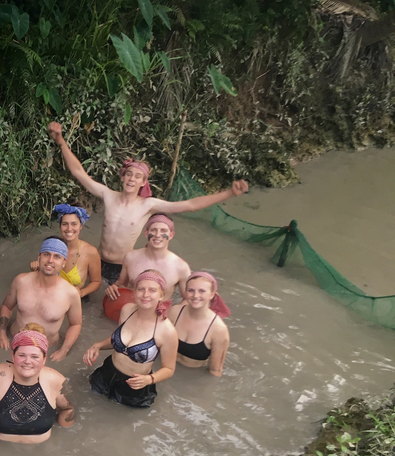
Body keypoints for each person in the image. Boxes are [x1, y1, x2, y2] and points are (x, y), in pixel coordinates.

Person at [47, 121, 249, 282]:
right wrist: (61, 142)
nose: (131, 179)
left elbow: (190, 205)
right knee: (83, 297)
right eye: (129, 174)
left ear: (143, 182)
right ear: (122, 177)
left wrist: (229, 193)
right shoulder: (108, 195)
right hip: (97, 259)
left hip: (122, 265)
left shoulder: (148, 205)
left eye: (137, 176)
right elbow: (79, 173)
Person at [83, 270, 179, 408]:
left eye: (152, 290)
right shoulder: (127, 310)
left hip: (134, 387)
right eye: (141, 289)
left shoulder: (167, 331)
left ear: (161, 295)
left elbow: (169, 369)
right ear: (134, 292)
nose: (145, 294)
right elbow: (117, 339)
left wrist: (150, 379)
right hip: (105, 374)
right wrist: (98, 345)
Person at [0, 325, 75, 444]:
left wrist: (63, 439)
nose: (27, 361)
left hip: (42, 449)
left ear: (44, 359)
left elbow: (69, 409)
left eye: (35, 357)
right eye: (22, 355)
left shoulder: (57, 382)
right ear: (13, 356)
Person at [0, 237, 83, 361]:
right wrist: (2, 333)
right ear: (39, 257)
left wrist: (63, 350)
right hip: (14, 342)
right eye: (46, 254)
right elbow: (7, 307)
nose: (50, 260)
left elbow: (75, 324)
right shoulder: (21, 281)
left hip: (48, 349)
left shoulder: (71, 293)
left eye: (57, 257)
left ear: (64, 262)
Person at [103, 214, 191, 320]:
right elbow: (121, 283)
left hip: (159, 318)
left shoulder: (181, 267)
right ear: (146, 233)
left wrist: (172, 315)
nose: (157, 235)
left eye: (163, 231)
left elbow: (188, 299)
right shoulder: (131, 257)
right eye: (153, 230)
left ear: (171, 235)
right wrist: (114, 288)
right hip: (132, 314)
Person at [31, 203, 102, 299]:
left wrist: (81, 293)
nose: (69, 228)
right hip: (51, 296)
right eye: (65, 224)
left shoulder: (91, 252)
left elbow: (96, 282)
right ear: (60, 226)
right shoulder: (51, 246)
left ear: (80, 226)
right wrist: (35, 269)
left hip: (75, 298)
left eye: (74, 224)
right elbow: (42, 276)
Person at [168, 271, 231, 377]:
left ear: (212, 294)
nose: (195, 295)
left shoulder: (218, 330)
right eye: (191, 290)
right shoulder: (174, 312)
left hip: (191, 377)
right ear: (185, 292)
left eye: (202, 291)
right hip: (164, 369)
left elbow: (215, 370)